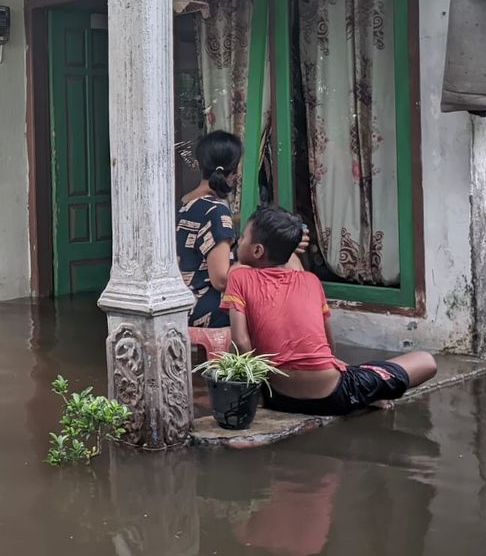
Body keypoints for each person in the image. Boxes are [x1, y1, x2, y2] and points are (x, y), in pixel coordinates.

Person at [221, 204, 437, 416]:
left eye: (242, 238)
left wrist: (244, 391)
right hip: (333, 396)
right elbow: (329, 345)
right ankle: (369, 391)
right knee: (426, 361)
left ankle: (365, 385)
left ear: (257, 250)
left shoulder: (239, 278)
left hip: (278, 397)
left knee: (355, 371)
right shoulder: (311, 281)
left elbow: (241, 343)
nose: (238, 243)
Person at [177, 130, 243, 328]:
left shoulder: (183, 203)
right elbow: (221, 279)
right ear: (234, 172)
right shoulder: (217, 210)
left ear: (198, 164)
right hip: (205, 309)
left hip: (180, 304)